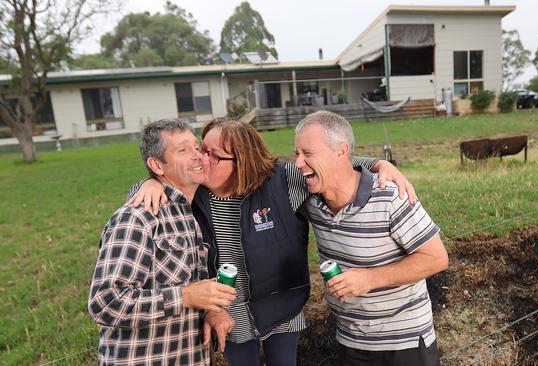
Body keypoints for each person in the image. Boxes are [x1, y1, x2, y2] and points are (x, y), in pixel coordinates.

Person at [129, 119, 415, 366]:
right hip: (230, 314)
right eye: (203, 151)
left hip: (283, 306)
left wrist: (379, 163)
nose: (203, 160)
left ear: (243, 160)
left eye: (214, 155)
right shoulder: (196, 194)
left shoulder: (282, 181)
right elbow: (160, 188)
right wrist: (148, 182)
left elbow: (330, 166)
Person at [294, 111, 449, 366]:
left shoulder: (390, 195)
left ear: (340, 152)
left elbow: (436, 258)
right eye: (297, 153)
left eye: (307, 154)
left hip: (404, 343)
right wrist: (379, 161)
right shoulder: (310, 198)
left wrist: (370, 279)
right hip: (350, 340)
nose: (298, 163)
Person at [88, 119, 236, 365]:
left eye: (197, 148)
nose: (198, 156)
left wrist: (212, 308)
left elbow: (189, 284)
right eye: (183, 150)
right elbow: (105, 302)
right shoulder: (138, 218)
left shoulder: (192, 212)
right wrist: (185, 297)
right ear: (157, 165)